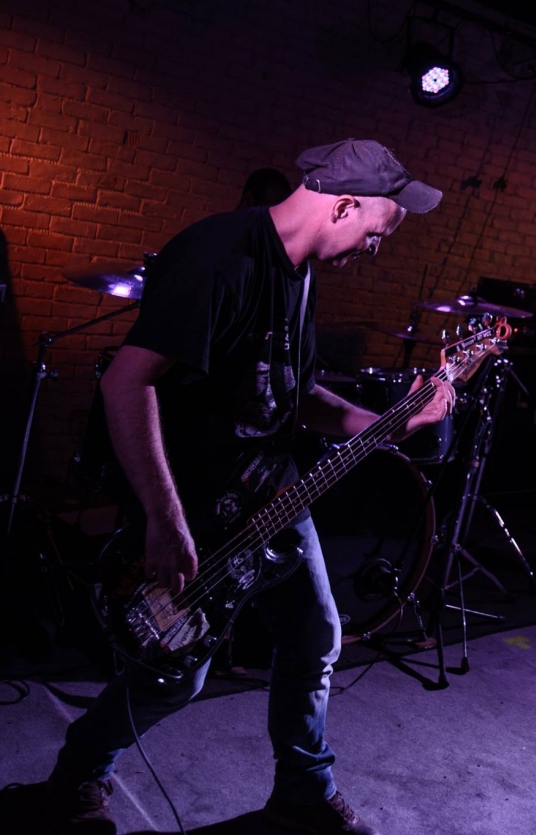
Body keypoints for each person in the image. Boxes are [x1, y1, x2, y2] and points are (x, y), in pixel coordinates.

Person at [38, 139, 455, 835]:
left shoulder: (302, 274)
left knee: (316, 636)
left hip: (274, 494)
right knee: (177, 674)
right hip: (195, 504)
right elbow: (126, 381)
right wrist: (165, 518)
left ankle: (303, 790)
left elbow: (296, 395)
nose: (373, 250)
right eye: (376, 235)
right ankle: (75, 776)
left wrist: (392, 422)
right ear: (344, 206)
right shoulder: (221, 258)